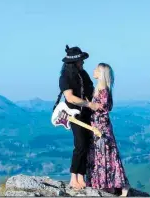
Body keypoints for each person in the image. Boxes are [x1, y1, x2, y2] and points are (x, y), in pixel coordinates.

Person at [54, 45, 102, 190]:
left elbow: (91, 91)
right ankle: (73, 177)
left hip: (86, 113)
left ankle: (81, 176)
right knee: (80, 144)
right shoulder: (65, 77)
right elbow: (70, 97)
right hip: (74, 115)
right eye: (80, 60)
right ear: (73, 63)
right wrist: (90, 104)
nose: (83, 63)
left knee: (86, 144)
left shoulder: (84, 74)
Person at [86, 63, 130, 196]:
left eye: (96, 69)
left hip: (101, 127)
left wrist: (89, 105)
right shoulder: (99, 88)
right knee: (102, 154)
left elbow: (103, 108)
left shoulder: (103, 89)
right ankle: (107, 185)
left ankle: (122, 185)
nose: (93, 71)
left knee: (106, 154)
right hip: (98, 126)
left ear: (101, 73)